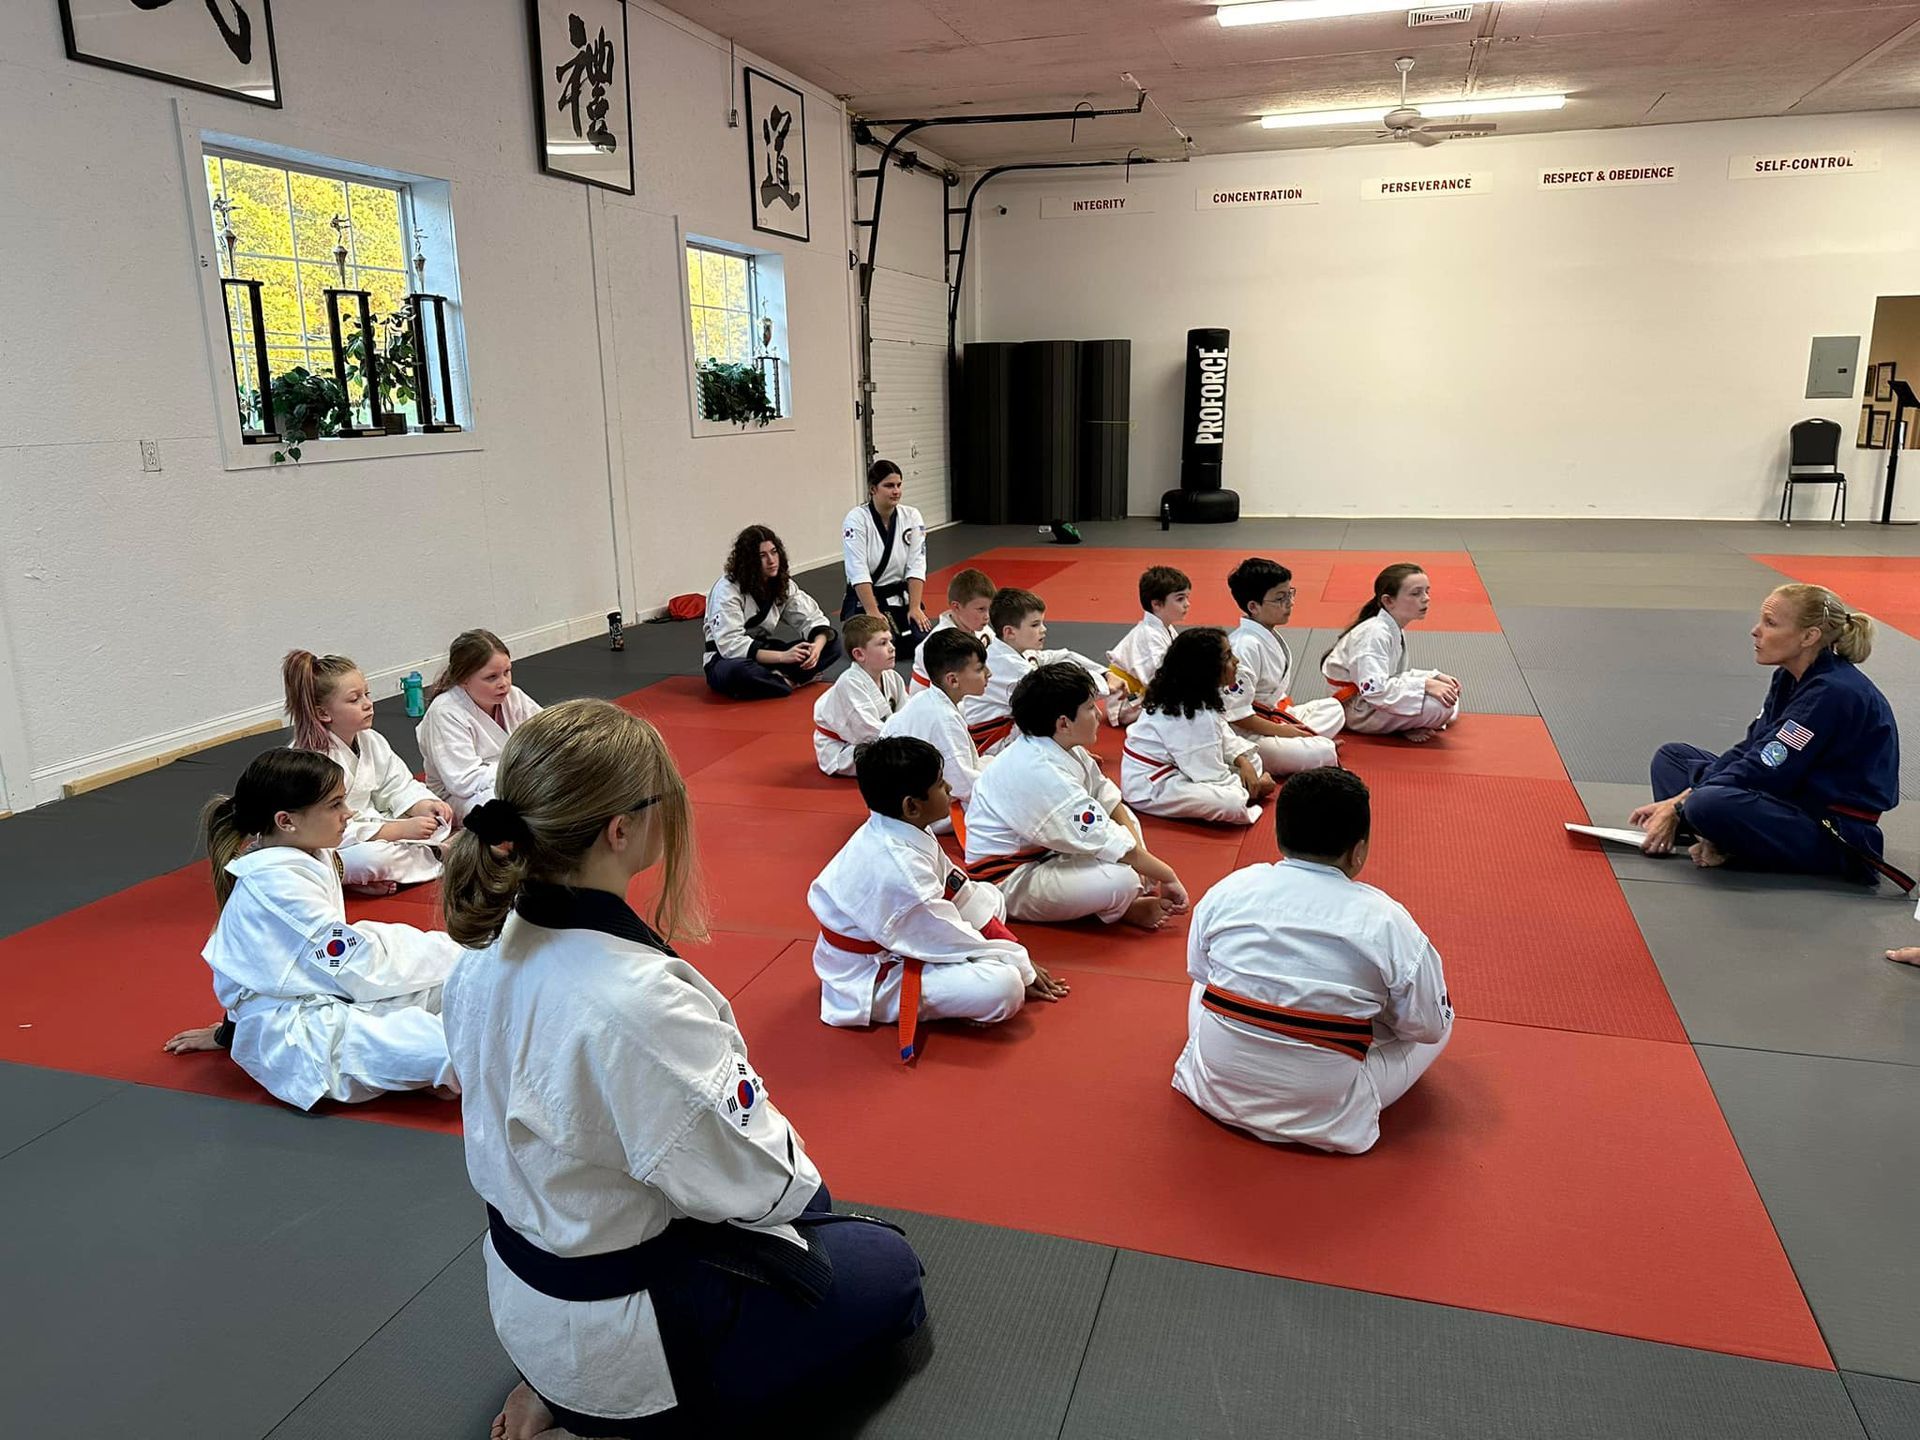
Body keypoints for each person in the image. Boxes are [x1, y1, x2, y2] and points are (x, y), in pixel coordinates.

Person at [439, 699, 927, 1439]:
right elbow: (763, 1187)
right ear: (620, 829)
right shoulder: (634, 1002)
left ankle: (556, 1388)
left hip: (530, 1290)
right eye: (664, 799)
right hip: (627, 1333)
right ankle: (603, 1424)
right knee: (890, 1271)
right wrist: (800, 1193)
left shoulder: (487, 946)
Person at [1173, 767, 1453, 1155]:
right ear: (1358, 851)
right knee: (1442, 1020)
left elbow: (1200, 971)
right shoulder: (1386, 920)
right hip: (1323, 1109)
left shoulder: (1230, 888)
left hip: (1217, 1086)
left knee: (1206, 980)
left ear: (1279, 835)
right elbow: (1428, 1027)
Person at [161, 748, 461, 1109]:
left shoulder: (309, 852)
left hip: (331, 989)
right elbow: (357, 965)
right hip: (301, 1032)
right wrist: (455, 953)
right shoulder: (275, 885)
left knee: (463, 986)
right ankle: (427, 1069)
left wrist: (454, 956)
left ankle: (421, 1072)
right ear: (287, 821)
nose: (348, 814)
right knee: (451, 1045)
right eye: (335, 805)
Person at [809, 737, 1068, 1060]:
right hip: (868, 976)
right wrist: (1020, 961)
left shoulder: (903, 826)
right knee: (1004, 987)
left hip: (907, 928)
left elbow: (957, 891)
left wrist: (1005, 941)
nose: (948, 788)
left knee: (990, 897)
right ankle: (947, 999)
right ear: (912, 805)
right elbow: (953, 939)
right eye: (938, 784)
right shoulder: (900, 871)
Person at [1632, 584, 1905, 881]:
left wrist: (1682, 803)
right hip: (1789, 797)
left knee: (1705, 803)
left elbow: (1768, 767)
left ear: (1809, 636)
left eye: (1770, 623)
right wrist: (1683, 799)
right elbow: (1751, 748)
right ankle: (1711, 834)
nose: (1755, 631)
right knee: (1673, 758)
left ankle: (1713, 834)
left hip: (1834, 832)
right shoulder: (1789, 678)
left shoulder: (1832, 692)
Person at [965, 662, 1188, 930]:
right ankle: (1123, 907)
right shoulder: (1040, 770)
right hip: (1010, 878)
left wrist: (1143, 860)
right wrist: (1167, 875)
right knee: (1122, 880)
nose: (1097, 715)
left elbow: (1107, 799)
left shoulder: (1061, 746)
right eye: (1090, 708)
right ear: (1063, 723)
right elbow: (1104, 836)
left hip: (1050, 851)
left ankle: (1125, 891)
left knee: (1124, 821)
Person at [283, 649, 452, 892]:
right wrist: (396, 830)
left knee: (437, 820)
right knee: (369, 859)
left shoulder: (370, 740)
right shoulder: (309, 760)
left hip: (371, 825)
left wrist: (421, 804)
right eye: (354, 699)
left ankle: (369, 878)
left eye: (367, 694)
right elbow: (322, 827)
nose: (368, 704)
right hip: (326, 843)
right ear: (323, 713)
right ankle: (432, 857)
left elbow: (397, 784)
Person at [1122, 628, 1276, 825]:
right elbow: (1211, 777)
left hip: (1181, 764)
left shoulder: (1190, 693)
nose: (1236, 661)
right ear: (1207, 667)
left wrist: (1242, 761)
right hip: (1151, 785)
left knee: (1252, 761)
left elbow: (1222, 734)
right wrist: (1254, 788)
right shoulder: (1189, 714)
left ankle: (1245, 783)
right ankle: (1247, 791)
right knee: (1232, 802)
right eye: (1228, 656)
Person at [1222, 558, 1343, 775]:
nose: (1290, 602)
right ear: (1253, 606)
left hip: (1272, 716)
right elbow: (1237, 715)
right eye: (1280, 598)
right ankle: (1310, 745)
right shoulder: (1243, 647)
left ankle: (1308, 742)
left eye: (1290, 594)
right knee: (1322, 751)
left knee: (1334, 709)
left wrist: (1287, 728)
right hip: (1245, 733)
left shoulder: (1265, 634)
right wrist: (1285, 731)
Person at [961, 587, 1113, 757]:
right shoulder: (1007, 665)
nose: (1043, 629)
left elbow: (1063, 655)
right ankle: (1064, 755)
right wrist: (1106, 685)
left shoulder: (1018, 651)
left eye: (1041, 622)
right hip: (996, 745)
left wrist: (1104, 673)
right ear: (1009, 632)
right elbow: (1063, 695)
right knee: (1056, 713)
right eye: (1035, 625)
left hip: (1010, 729)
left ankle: (1069, 753)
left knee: (1059, 679)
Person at [1320, 563, 1462, 742]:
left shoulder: (1391, 626)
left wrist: (1433, 676)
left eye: (1427, 591)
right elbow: (1373, 691)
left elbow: (1393, 675)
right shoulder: (1373, 634)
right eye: (1415, 593)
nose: (1426, 598)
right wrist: (1425, 685)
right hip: (1355, 708)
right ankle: (1407, 724)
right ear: (1388, 600)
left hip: (1372, 697)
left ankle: (1408, 721)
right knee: (1441, 707)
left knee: (1449, 693)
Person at [417, 630, 544, 821]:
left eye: (507, 672)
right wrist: (523, 769)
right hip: (460, 797)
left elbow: (547, 734)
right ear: (464, 680)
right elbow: (463, 781)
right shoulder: (445, 712)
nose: (504, 683)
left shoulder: (514, 696)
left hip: (516, 777)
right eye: (491, 677)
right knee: (503, 807)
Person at [704, 525, 841, 700]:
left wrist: (817, 647)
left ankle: (777, 681)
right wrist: (783, 657)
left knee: (832, 644)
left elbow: (812, 618)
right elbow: (730, 645)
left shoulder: (780, 584)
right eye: (762, 556)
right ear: (749, 561)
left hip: (766, 653)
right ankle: (790, 681)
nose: (771, 560)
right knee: (740, 672)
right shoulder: (727, 590)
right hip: (726, 659)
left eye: (774, 552)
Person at [883, 628, 991, 821]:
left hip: (898, 796)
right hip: (918, 808)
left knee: (994, 762)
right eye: (980, 669)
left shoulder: (930, 699)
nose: (989, 673)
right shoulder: (943, 718)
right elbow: (963, 786)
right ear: (953, 680)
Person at [841, 459, 929, 653]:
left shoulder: (912, 516)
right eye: (889, 486)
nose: (896, 491)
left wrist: (915, 607)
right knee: (882, 646)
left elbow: (917, 564)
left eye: (898, 485)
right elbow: (858, 570)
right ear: (873, 489)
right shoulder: (856, 519)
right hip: (867, 599)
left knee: (921, 642)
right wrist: (873, 612)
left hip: (900, 596)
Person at [813, 615, 907, 777]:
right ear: (859, 654)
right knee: (911, 761)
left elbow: (906, 714)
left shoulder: (892, 677)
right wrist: (911, 741)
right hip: (844, 750)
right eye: (883, 643)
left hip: (884, 740)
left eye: (890, 641)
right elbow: (867, 732)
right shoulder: (849, 683)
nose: (892, 648)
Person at [1106, 565, 1191, 719]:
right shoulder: (1149, 635)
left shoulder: (1165, 628)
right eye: (1180, 598)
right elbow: (1158, 680)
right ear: (1156, 604)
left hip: (1145, 694)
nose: (1187, 604)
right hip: (1128, 702)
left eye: (1187, 597)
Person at [910, 568, 993, 689]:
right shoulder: (937, 646)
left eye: (989, 609)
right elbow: (941, 694)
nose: (987, 616)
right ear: (956, 607)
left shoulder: (984, 631)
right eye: (981, 609)